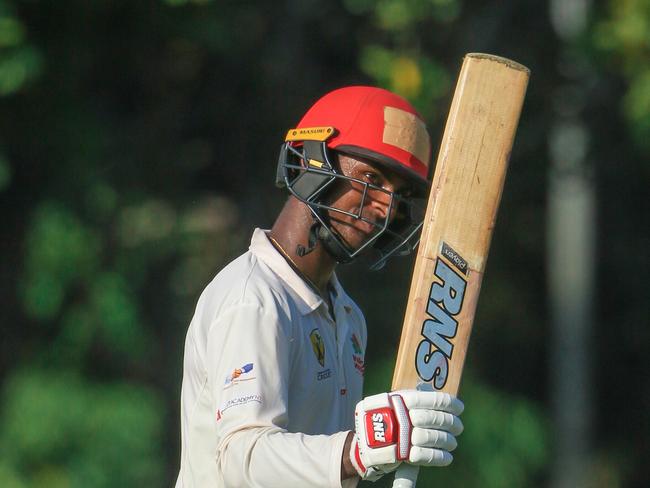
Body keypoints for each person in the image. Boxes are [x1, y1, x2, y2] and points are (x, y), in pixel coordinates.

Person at [175, 86, 465, 487]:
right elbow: (241, 460)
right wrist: (358, 450)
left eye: (398, 195)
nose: (385, 206)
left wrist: (377, 450)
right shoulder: (254, 299)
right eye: (372, 178)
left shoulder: (348, 317)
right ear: (313, 164)